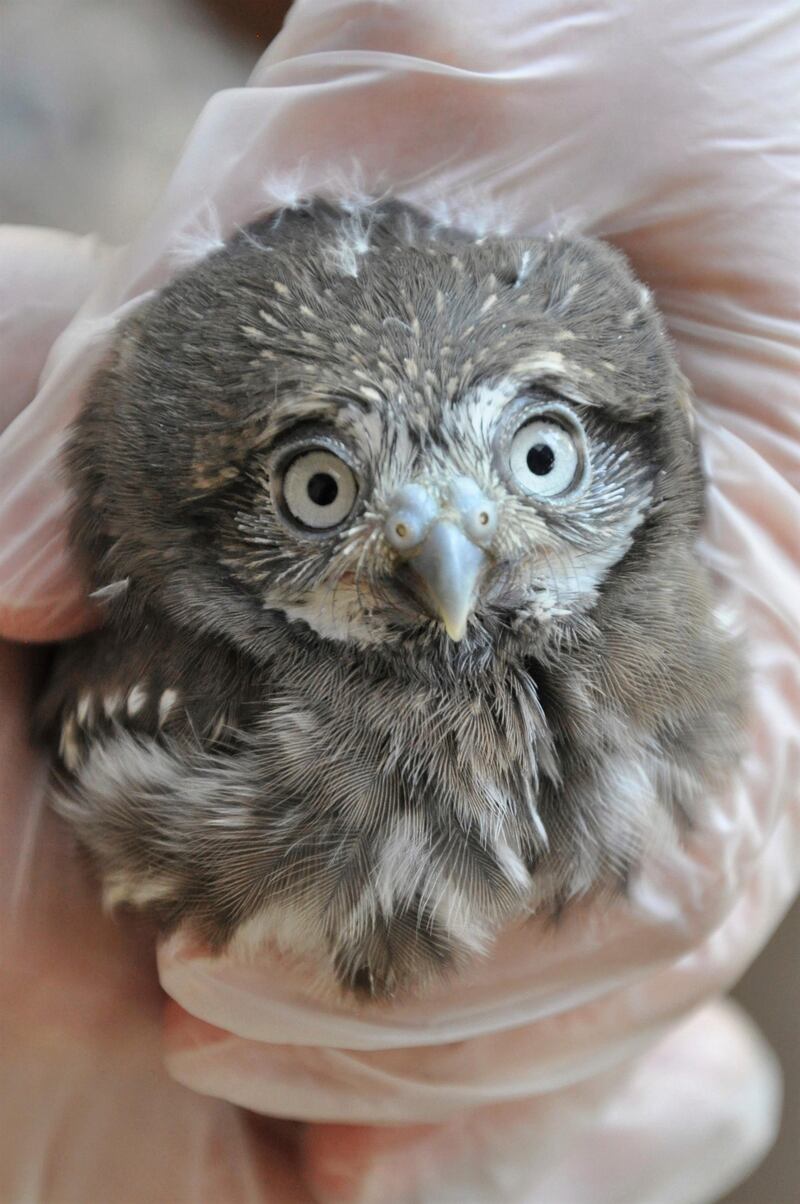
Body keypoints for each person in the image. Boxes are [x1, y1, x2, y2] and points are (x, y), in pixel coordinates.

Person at [1, 2, 798, 1200]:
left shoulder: (690, 629)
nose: (448, 557)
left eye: (539, 457)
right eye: (318, 489)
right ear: (204, 533)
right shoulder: (209, 673)